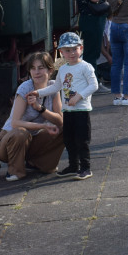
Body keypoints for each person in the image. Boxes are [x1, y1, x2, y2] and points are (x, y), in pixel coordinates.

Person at [32, 32, 98, 180]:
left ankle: (86, 168)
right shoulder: (62, 69)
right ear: (61, 52)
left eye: (75, 49)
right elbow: (55, 87)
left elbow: (94, 85)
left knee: (82, 139)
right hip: (68, 110)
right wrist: (38, 93)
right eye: (67, 50)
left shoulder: (86, 67)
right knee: (68, 138)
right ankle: (73, 166)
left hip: (81, 110)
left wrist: (79, 96)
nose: (72, 53)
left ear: (81, 48)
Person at [0, 51, 63, 181]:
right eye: (33, 68)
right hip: (9, 143)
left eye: (41, 68)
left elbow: (60, 120)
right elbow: (15, 123)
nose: (36, 72)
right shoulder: (25, 88)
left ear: (50, 70)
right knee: (21, 133)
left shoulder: (53, 87)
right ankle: (15, 171)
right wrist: (43, 125)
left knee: (64, 128)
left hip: (31, 142)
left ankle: (41, 163)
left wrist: (40, 108)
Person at [76, 0, 110, 92]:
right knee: (92, 53)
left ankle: (92, 83)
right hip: (92, 20)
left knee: (92, 52)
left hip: (90, 19)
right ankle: (93, 85)